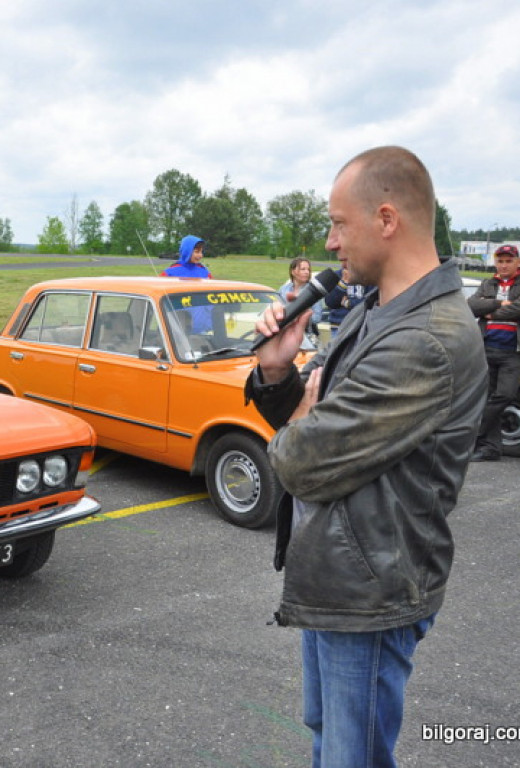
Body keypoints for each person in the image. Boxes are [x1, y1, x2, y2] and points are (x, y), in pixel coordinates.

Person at [246, 146, 486, 768]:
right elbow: (309, 428)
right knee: (330, 738)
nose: (328, 243)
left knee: (353, 757)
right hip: (335, 574)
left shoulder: (425, 340)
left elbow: (299, 463)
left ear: (386, 219)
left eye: (338, 223)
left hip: (370, 593)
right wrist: (277, 371)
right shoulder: (375, 311)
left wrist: (311, 418)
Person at [467, 243, 520, 462]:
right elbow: (471, 305)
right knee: (487, 396)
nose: (504, 265)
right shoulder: (488, 283)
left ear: (517, 262)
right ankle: (490, 448)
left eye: (509, 261)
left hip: (513, 352)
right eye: (500, 261)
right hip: (487, 346)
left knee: (505, 395)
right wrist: (499, 302)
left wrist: (491, 314)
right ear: (495, 262)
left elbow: (519, 308)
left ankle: (475, 431)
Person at [324, 252, 374, 337]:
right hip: (338, 325)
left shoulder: (368, 276)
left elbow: (370, 302)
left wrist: (347, 303)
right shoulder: (336, 275)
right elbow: (330, 302)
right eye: (343, 260)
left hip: (361, 325)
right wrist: (343, 283)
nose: (346, 263)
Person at [277, 257, 323, 336]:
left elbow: (317, 317)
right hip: (285, 333)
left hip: (306, 335)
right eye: (303, 269)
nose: (307, 272)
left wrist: (299, 317)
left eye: (308, 269)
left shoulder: (314, 292)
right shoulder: (283, 289)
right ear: (293, 271)